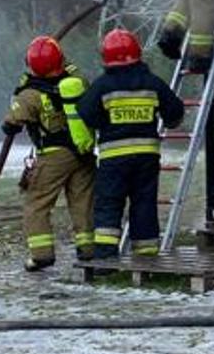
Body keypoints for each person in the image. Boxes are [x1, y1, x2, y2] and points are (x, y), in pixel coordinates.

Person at [77, 29, 185, 259]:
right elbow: (175, 112)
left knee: (109, 203)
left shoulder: (102, 86)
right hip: (146, 157)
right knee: (144, 203)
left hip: (113, 159)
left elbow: (85, 112)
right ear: (138, 54)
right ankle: (146, 254)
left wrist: (105, 123)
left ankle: (106, 255)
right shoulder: (152, 83)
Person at [0, 36, 96, 271]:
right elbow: (78, 75)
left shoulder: (30, 95)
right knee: (83, 202)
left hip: (52, 156)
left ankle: (41, 254)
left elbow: (11, 123)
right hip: (82, 153)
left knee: (37, 204)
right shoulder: (76, 81)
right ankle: (89, 249)